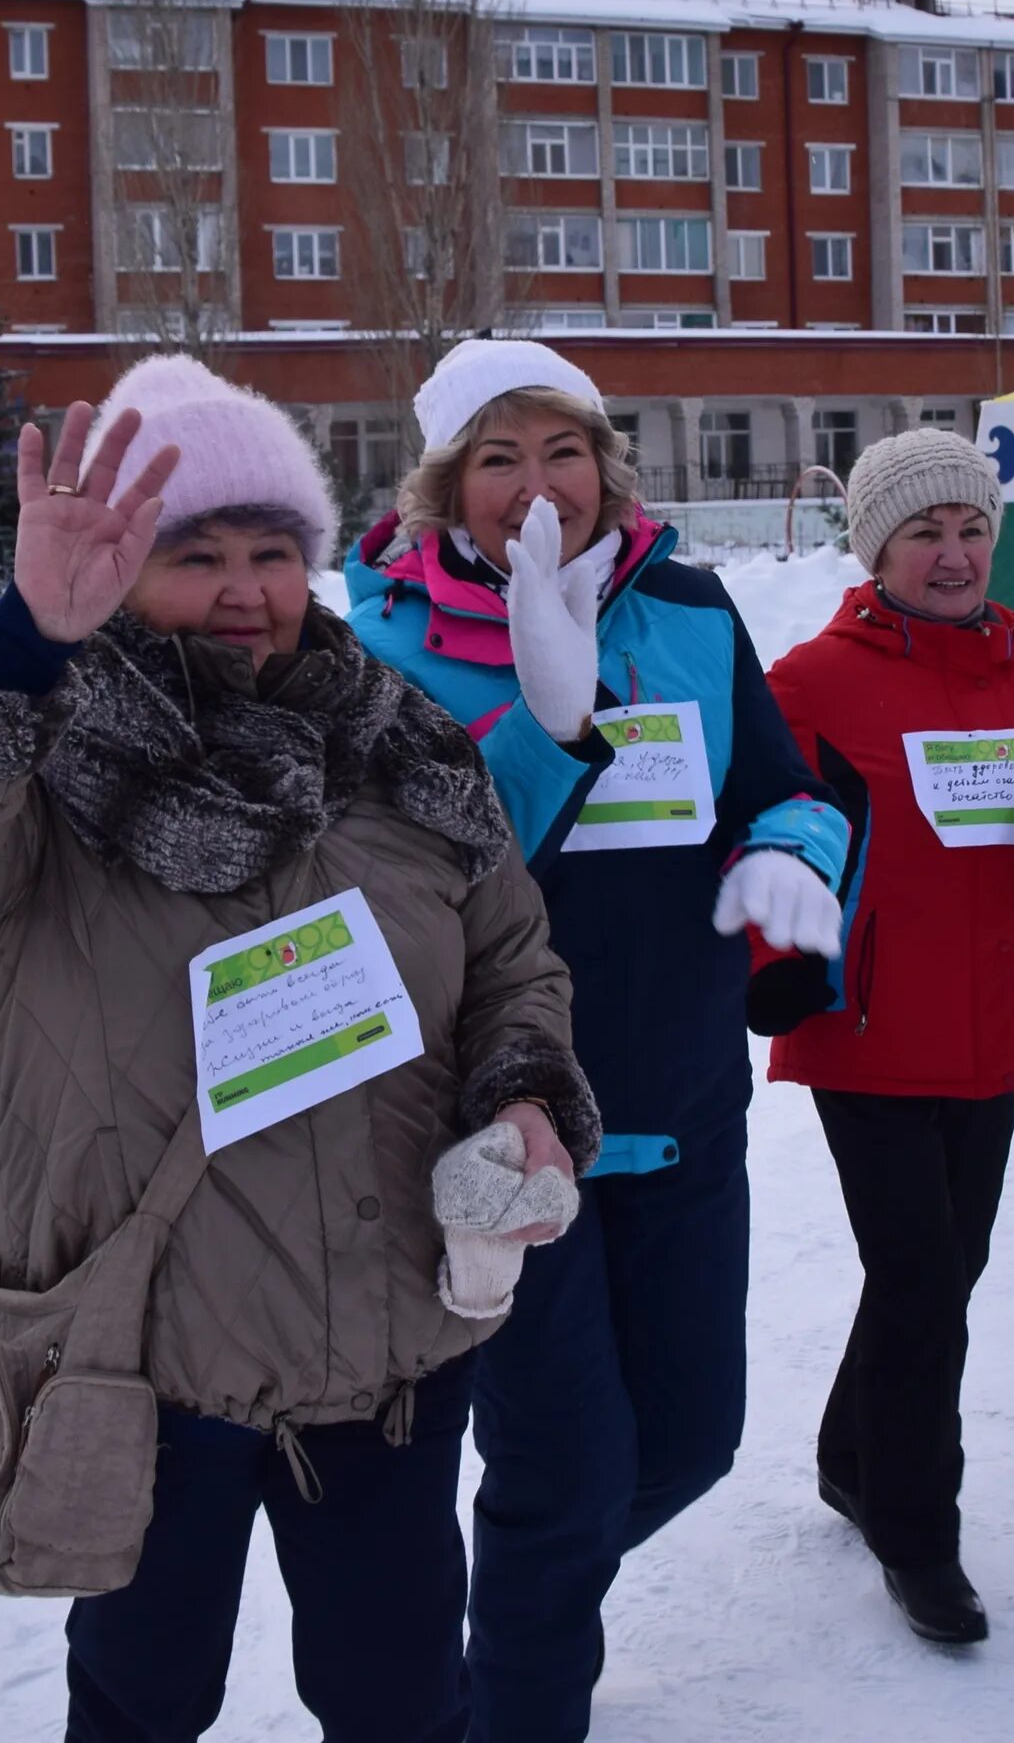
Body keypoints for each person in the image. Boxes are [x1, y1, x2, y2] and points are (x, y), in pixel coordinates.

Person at [0, 359, 600, 1743]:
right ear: (114, 569)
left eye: (273, 551)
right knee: (139, 1697)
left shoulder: (400, 741)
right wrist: (8, 652)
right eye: (194, 553)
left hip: (387, 1344)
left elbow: (511, 958)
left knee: (402, 1694)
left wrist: (524, 1093)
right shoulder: (36, 754)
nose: (246, 586)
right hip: (144, 1347)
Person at [346, 339, 849, 1743]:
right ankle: (518, 1698)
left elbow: (782, 787)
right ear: (447, 486)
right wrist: (544, 724)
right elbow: (404, 883)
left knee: (689, 1442)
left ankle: (516, 1617)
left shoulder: (690, 607)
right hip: (497, 1125)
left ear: (606, 466)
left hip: (683, 1100)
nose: (534, 484)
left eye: (559, 450)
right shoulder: (376, 645)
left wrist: (799, 857)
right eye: (495, 458)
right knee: (560, 1476)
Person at [748, 430, 1014, 1644]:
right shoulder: (814, 681)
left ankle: (853, 1453)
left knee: (941, 1271)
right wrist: (776, 961)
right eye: (925, 532)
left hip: (997, 1029)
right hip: (862, 1030)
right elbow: (767, 833)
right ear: (876, 550)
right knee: (924, 1279)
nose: (954, 553)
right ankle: (921, 1535)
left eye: (971, 528)